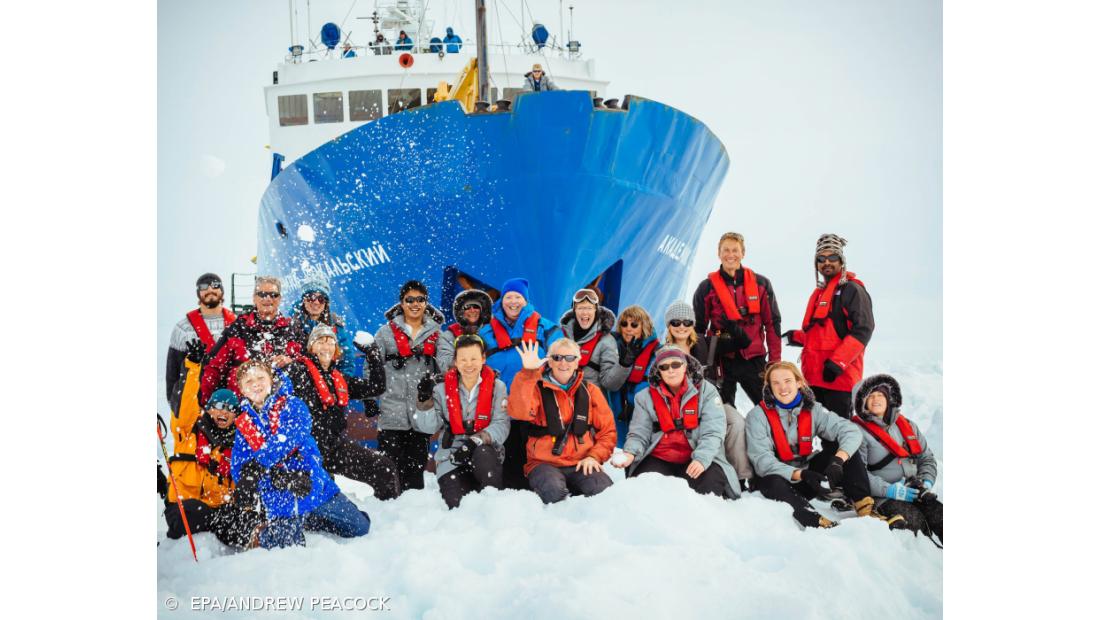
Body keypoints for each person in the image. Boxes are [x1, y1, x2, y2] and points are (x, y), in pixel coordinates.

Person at [231, 360, 371, 549]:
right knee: (290, 549)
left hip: (314, 488)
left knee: (360, 527)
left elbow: (290, 438)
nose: (255, 384)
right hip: (280, 500)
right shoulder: (244, 424)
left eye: (260, 377)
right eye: (248, 381)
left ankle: (309, 518)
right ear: (241, 389)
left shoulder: (292, 405)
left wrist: (260, 464)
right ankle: (263, 534)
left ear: (271, 379)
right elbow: (240, 466)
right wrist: (269, 478)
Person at [745, 361, 899, 529]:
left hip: (809, 479)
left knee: (843, 449)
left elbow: (851, 431)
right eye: (776, 383)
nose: (783, 387)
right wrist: (800, 474)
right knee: (771, 482)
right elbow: (762, 461)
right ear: (769, 388)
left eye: (788, 381)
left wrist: (838, 460)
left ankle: (865, 508)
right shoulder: (757, 416)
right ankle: (813, 519)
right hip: (776, 480)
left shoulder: (813, 410)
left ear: (799, 383)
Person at [285, 325, 400, 500]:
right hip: (305, 453)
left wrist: (373, 355)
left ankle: (388, 515)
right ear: (310, 347)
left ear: (336, 350)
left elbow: (376, 387)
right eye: (320, 341)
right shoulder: (296, 372)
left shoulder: (339, 378)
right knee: (318, 500)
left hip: (333, 449)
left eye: (331, 342)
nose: (326, 346)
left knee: (384, 468)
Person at [615, 347, 739, 499]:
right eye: (664, 367)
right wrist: (630, 453)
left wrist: (701, 459)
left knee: (709, 485)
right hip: (660, 458)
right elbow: (639, 433)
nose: (670, 370)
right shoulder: (643, 398)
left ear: (685, 366)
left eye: (675, 364)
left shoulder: (708, 391)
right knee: (644, 489)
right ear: (658, 371)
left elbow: (713, 432)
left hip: (695, 457)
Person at [507, 339, 616, 503]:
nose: (563, 362)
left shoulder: (591, 391)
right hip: (543, 463)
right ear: (549, 361)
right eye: (557, 357)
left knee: (605, 492)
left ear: (578, 361)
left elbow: (608, 432)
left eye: (570, 358)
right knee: (554, 494)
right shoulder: (535, 388)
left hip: (581, 462)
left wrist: (594, 457)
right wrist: (528, 373)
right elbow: (519, 412)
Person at [477, 277, 558, 489]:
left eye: (518, 297)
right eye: (508, 297)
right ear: (502, 300)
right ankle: (501, 489)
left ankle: (535, 488)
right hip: (500, 401)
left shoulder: (545, 327)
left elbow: (562, 356)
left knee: (532, 447)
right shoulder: (486, 332)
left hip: (535, 402)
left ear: (526, 300)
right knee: (505, 447)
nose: (513, 301)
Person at [783, 233, 874, 419]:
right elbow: (822, 334)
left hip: (840, 380)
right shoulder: (820, 293)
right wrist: (794, 337)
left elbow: (863, 330)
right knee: (824, 434)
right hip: (815, 379)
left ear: (841, 261)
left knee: (842, 435)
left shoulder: (852, 290)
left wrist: (836, 364)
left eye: (832, 257)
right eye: (821, 259)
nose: (827, 262)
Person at [413, 335, 511, 508]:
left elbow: (501, 424)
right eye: (463, 359)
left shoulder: (498, 387)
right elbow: (429, 428)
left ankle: (493, 506)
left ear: (483, 359)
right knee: (456, 504)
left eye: (474, 358)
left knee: (485, 463)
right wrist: (424, 401)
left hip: (484, 452)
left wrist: (475, 441)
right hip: (450, 458)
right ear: (456, 362)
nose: (469, 364)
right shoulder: (441, 389)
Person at [664, 301, 754, 486]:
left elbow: (743, 342)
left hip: (711, 400)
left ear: (693, 324)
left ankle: (741, 476)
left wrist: (731, 326)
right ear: (668, 326)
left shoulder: (708, 342)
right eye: (676, 322)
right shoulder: (663, 352)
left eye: (687, 322)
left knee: (736, 422)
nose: (682, 327)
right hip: (680, 405)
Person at [163, 388, 264, 549]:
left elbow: (260, 459)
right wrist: (192, 365)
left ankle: (258, 540)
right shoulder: (189, 432)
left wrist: (249, 478)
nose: (223, 411)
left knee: (246, 518)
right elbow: (185, 404)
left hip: (219, 508)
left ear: (235, 415)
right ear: (209, 408)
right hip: (184, 508)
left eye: (230, 408)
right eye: (217, 405)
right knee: (192, 512)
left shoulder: (238, 446)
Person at [692, 232, 781, 410]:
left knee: (770, 409)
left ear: (743, 253)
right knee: (721, 412)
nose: (730, 255)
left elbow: (772, 324)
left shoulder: (762, 284)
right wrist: (698, 365)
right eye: (725, 250)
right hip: (722, 360)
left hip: (754, 359)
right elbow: (699, 331)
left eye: (735, 250)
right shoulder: (706, 288)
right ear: (719, 253)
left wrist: (775, 362)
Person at [373, 280, 445, 494]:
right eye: (409, 299)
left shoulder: (438, 334)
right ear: (401, 303)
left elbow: (444, 368)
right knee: (388, 470)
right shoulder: (384, 333)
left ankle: (411, 517)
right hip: (391, 413)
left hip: (421, 412)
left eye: (420, 299)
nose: (415, 304)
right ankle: (386, 514)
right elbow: (372, 366)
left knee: (416, 470)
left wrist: (434, 388)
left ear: (426, 303)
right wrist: (369, 399)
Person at [852, 374, 942, 543]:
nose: (876, 399)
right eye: (870, 396)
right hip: (883, 496)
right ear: (861, 402)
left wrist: (926, 482)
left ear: (888, 398)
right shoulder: (856, 432)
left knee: (941, 518)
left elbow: (927, 458)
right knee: (916, 524)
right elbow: (857, 475)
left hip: (915, 491)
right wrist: (892, 490)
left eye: (880, 395)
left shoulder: (907, 425)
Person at [200, 276, 305, 405]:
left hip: (282, 410)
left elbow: (306, 364)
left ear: (280, 299)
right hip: (242, 409)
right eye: (262, 294)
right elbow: (213, 368)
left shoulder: (292, 330)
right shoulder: (237, 329)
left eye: (273, 295)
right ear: (254, 298)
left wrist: (290, 361)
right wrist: (206, 404)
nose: (267, 299)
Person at [166, 272, 236, 404]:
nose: (210, 289)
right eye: (204, 287)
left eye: (215, 285)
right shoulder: (183, 328)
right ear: (198, 293)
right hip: (195, 404)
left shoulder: (237, 324)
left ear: (222, 291)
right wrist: (175, 405)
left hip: (229, 405)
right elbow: (172, 372)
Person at [606, 305, 661, 447]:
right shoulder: (611, 346)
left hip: (641, 410)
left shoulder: (657, 351)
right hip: (616, 409)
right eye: (624, 324)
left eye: (634, 324)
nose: (628, 329)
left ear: (644, 326)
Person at [558, 288, 628, 392]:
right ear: (574, 311)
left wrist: (624, 365)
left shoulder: (606, 341)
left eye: (589, 308)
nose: (585, 312)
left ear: (596, 310)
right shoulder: (560, 336)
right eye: (580, 308)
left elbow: (611, 385)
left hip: (590, 400)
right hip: (562, 398)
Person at [288, 279, 357, 375]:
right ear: (304, 300)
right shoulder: (290, 325)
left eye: (321, 299)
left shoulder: (335, 326)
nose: (316, 302)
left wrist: (342, 381)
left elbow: (347, 358)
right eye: (311, 297)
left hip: (329, 381)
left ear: (326, 304)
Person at [436, 288, 492, 372]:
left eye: (476, 306)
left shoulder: (491, 332)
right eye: (467, 307)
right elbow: (445, 363)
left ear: (481, 310)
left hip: (488, 382)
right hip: (459, 383)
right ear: (461, 312)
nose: (472, 310)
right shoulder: (448, 336)